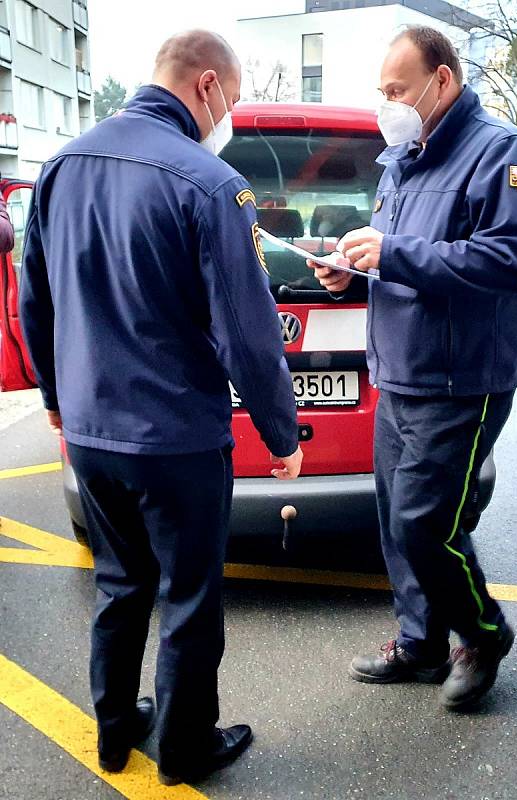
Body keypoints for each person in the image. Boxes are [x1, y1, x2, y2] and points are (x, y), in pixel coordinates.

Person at [18, 29, 303, 785]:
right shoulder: (210, 184)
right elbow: (250, 331)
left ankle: (114, 731)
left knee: (120, 585)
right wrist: (283, 433)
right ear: (207, 86)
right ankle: (184, 748)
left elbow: (32, 301)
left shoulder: (62, 167)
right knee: (188, 597)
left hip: (91, 430)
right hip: (176, 438)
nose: (229, 116)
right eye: (234, 100)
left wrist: (55, 398)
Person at [309, 27, 517, 709]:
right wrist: (352, 272)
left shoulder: (503, 155)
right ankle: (419, 644)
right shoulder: (402, 161)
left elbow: (509, 263)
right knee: (397, 521)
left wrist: (390, 255)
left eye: (396, 90)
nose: (386, 103)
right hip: (400, 372)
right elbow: (398, 258)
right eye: (382, 91)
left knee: (427, 523)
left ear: (441, 81)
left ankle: (482, 635)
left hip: (462, 380)